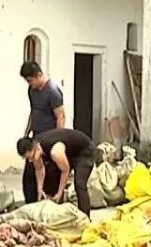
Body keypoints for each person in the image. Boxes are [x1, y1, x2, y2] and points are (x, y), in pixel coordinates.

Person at [17, 129, 96, 216]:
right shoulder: (34, 146)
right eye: (28, 158)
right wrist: (40, 189)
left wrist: (60, 192)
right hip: (70, 150)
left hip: (84, 151)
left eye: (31, 157)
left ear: (36, 148)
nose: (30, 161)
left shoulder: (55, 152)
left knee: (79, 184)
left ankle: (85, 218)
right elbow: (39, 169)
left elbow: (65, 171)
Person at [19, 61, 66, 204]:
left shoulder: (53, 92)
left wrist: (58, 140)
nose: (29, 84)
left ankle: (51, 203)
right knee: (30, 172)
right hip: (36, 137)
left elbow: (61, 117)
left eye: (30, 80)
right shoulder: (32, 91)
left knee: (50, 173)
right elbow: (34, 112)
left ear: (39, 75)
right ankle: (30, 204)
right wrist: (27, 133)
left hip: (50, 138)